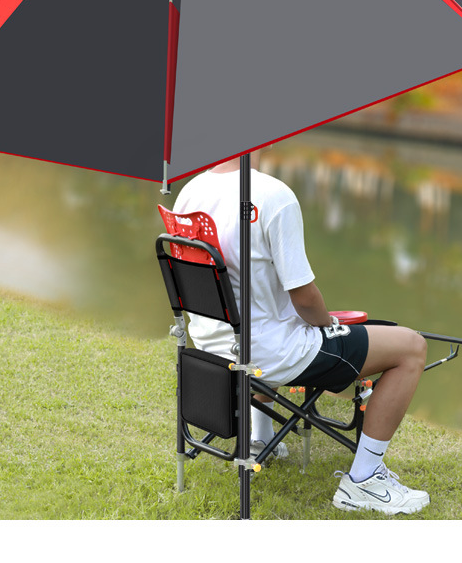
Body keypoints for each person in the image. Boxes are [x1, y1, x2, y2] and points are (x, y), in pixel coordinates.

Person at [172, 148, 430, 516]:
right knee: (411, 347)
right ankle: (364, 480)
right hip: (269, 353)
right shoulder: (273, 196)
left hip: (212, 345)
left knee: (272, 318)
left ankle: (261, 438)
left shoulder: (190, 191)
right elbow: (305, 299)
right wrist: (329, 324)